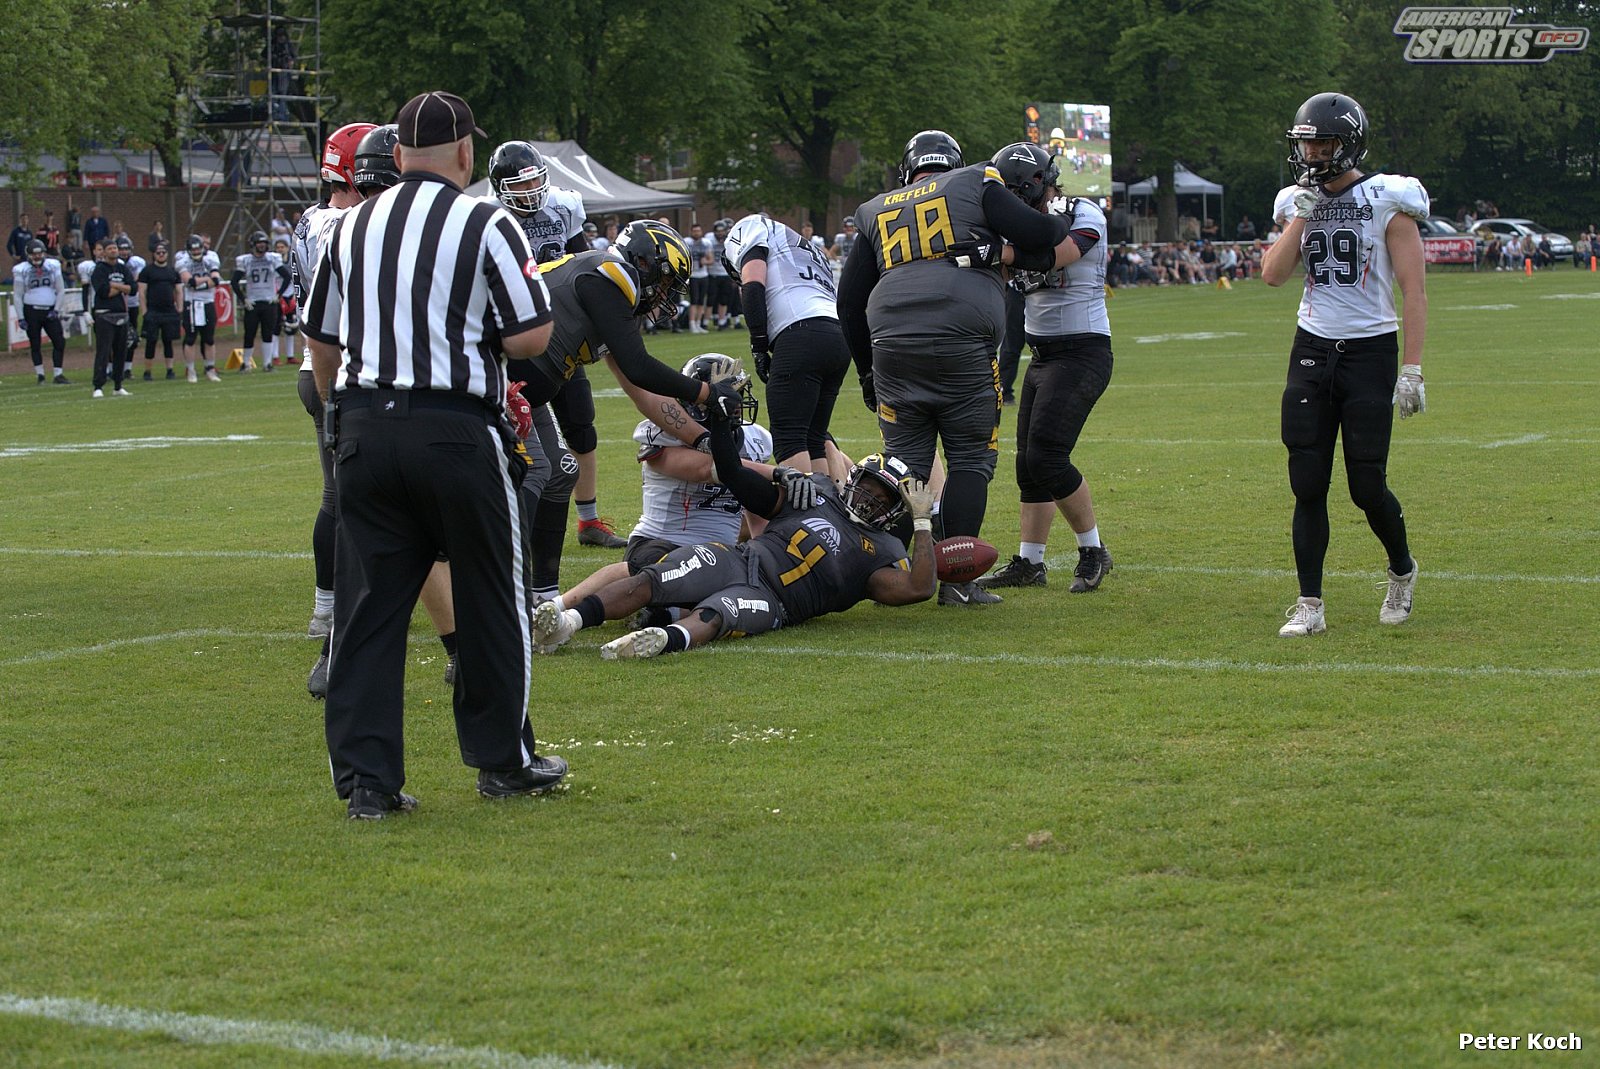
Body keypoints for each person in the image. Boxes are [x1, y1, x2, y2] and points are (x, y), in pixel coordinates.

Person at [301, 90, 568, 820]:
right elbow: (531, 335)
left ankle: (368, 783)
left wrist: (338, 415)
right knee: (492, 596)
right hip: (455, 428)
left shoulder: (350, 225)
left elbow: (320, 339)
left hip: (363, 424)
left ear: (397, 154)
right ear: (465, 153)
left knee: (367, 611)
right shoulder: (486, 221)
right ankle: (502, 761)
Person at [837, 129, 1071, 606]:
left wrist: (866, 372)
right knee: (970, 459)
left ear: (907, 169)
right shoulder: (974, 180)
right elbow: (1042, 233)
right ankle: (958, 583)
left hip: (892, 348)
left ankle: (876, 572)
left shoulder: (875, 208)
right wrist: (1048, 230)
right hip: (962, 341)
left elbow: (848, 301)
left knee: (902, 463)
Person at [533, 420, 936, 659]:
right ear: (854, 479)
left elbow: (919, 588)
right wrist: (778, 474)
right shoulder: (817, 491)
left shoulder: (883, 551)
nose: (869, 499)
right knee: (652, 579)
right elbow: (742, 483)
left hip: (776, 601)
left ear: (897, 511)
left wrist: (922, 523)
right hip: (740, 559)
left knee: (717, 615)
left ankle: (660, 641)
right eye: (868, 487)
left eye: (883, 498)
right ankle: (568, 623)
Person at [505, 218, 747, 604]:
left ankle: (542, 596)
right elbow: (638, 367)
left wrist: (702, 439)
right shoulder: (606, 274)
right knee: (535, 472)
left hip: (525, 390)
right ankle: (502, 588)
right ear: (645, 262)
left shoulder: (614, 298)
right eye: (665, 282)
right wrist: (705, 393)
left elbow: (643, 392)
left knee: (561, 471)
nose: (665, 295)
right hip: (496, 375)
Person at [1262, 91, 1427, 637]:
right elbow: (1272, 275)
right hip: (1311, 347)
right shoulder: (1296, 201)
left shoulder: (1387, 198)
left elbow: (1414, 292)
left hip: (1370, 350)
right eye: (1306, 144)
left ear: (1348, 144)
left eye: (1323, 144)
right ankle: (1309, 603)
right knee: (1307, 481)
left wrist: (1412, 368)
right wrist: (1301, 218)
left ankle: (1401, 569)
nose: (1311, 154)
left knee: (1366, 486)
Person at [545, 353, 789, 624]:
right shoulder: (666, 434)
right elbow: (712, 468)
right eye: (729, 397)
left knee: (738, 586)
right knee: (646, 571)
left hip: (718, 549)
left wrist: (762, 552)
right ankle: (559, 606)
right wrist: (777, 473)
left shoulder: (756, 439)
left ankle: (664, 613)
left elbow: (753, 508)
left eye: (739, 395)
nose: (737, 405)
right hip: (663, 542)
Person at [976, 142, 1115, 594]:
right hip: (1042, 356)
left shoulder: (1081, 211)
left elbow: (1062, 254)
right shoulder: (1013, 226)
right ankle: (1031, 562)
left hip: (1083, 351)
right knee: (1028, 465)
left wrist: (1001, 253)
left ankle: (1093, 550)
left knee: (1048, 457)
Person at [484, 139, 622, 550]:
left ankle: (589, 520)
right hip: (518, 340)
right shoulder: (486, 218)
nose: (530, 192)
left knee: (581, 420)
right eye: (519, 186)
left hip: (564, 332)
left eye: (534, 182)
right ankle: (510, 517)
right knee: (524, 442)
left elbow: (584, 263)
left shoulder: (563, 206)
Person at [721, 212, 851, 473]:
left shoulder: (753, 226)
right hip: (838, 335)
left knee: (789, 437)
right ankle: (826, 500)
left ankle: (803, 502)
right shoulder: (806, 247)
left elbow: (753, 284)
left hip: (801, 331)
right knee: (814, 438)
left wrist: (758, 344)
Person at [231, 229, 290, 371]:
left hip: (269, 301)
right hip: (252, 303)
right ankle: (246, 364)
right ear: (253, 244)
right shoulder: (246, 260)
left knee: (267, 333)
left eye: (264, 243)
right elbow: (234, 281)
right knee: (249, 333)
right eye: (259, 243)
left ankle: (267, 364)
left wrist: (278, 294)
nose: (262, 245)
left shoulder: (272, 258)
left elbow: (287, 276)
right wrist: (243, 299)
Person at [13, 240, 70, 384]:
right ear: (28, 254)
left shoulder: (53, 266)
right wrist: (20, 317)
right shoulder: (21, 269)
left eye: (39, 253)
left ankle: (58, 374)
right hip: (31, 310)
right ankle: (40, 375)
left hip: (50, 310)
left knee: (59, 341)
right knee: (35, 343)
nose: (37, 256)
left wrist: (56, 309)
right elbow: (18, 295)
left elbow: (61, 290)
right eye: (34, 254)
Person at [89, 237, 133, 398]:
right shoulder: (99, 270)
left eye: (115, 248)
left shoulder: (122, 268)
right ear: (104, 252)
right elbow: (103, 292)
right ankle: (98, 386)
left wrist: (115, 285)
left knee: (121, 351)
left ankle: (118, 385)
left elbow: (133, 288)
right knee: (104, 351)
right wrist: (122, 288)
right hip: (104, 314)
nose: (114, 251)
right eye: (110, 249)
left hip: (121, 313)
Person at [176, 234, 222, 382]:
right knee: (190, 338)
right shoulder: (182, 260)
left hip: (208, 302)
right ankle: (191, 370)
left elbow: (216, 280)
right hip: (192, 303)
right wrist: (206, 281)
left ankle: (210, 369)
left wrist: (198, 283)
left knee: (209, 338)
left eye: (198, 249)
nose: (196, 252)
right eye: (193, 250)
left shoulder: (211, 258)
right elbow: (189, 282)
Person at [139, 240, 183, 380]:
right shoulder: (147, 271)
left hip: (169, 311)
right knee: (151, 341)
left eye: (163, 252)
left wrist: (180, 308)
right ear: (154, 254)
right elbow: (141, 292)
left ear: (167, 254)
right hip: (153, 311)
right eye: (158, 253)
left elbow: (179, 290)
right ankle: (147, 371)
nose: (161, 255)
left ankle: (170, 370)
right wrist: (144, 311)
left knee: (168, 341)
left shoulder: (173, 272)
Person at [115, 235, 145, 382]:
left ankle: (127, 368)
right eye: (121, 249)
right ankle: (113, 369)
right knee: (116, 338)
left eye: (126, 249)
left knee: (131, 338)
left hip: (133, 303)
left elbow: (135, 281)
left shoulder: (137, 262)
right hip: (118, 303)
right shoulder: (114, 263)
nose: (124, 252)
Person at [685, 222, 711, 333]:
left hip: (703, 275)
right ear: (691, 232)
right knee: (694, 301)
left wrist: (705, 261)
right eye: (695, 231)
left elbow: (711, 259)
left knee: (701, 301)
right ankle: (692, 324)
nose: (697, 233)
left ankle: (698, 323)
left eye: (698, 231)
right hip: (693, 275)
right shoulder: (687, 242)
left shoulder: (706, 243)